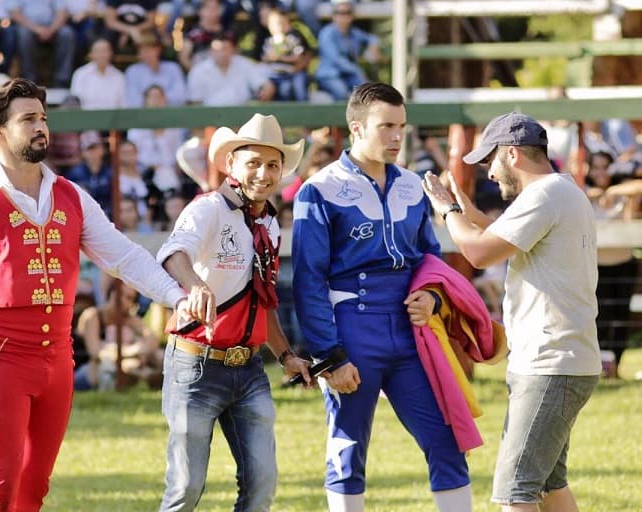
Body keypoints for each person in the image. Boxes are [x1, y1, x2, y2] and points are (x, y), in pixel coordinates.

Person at [0, 78, 194, 512]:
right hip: (1, 358)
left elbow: (123, 256)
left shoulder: (72, 195)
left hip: (58, 357)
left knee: (34, 486)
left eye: (43, 118)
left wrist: (176, 296)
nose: (41, 127)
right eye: (28, 119)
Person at [291, 82, 473, 512]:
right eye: (386, 126)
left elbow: (429, 259)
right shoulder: (319, 189)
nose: (396, 137)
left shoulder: (413, 186)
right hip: (352, 329)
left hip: (411, 332)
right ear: (356, 128)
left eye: (402, 127)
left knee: (447, 440)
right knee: (348, 448)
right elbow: (308, 280)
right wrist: (329, 356)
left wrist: (432, 297)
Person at [422, 112, 601, 512]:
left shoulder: (543, 196)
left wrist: (447, 210)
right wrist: (463, 209)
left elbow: (478, 252)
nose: (489, 173)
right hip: (564, 361)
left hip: (549, 363)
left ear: (513, 154)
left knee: (515, 491)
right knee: (549, 485)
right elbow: (496, 233)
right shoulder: (563, 191)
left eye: (490, 160)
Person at [156, 113, 311, 511]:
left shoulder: (270, 224)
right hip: (196, 365)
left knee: (262, 486)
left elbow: (262, 300)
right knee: (186, 489)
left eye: (273, 164)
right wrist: (195, 285)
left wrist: (286, 356)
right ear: (231, 165)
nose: (264, 173)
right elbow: (173, 254)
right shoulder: (208, 208)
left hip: (250, 369)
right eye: (253, 162)